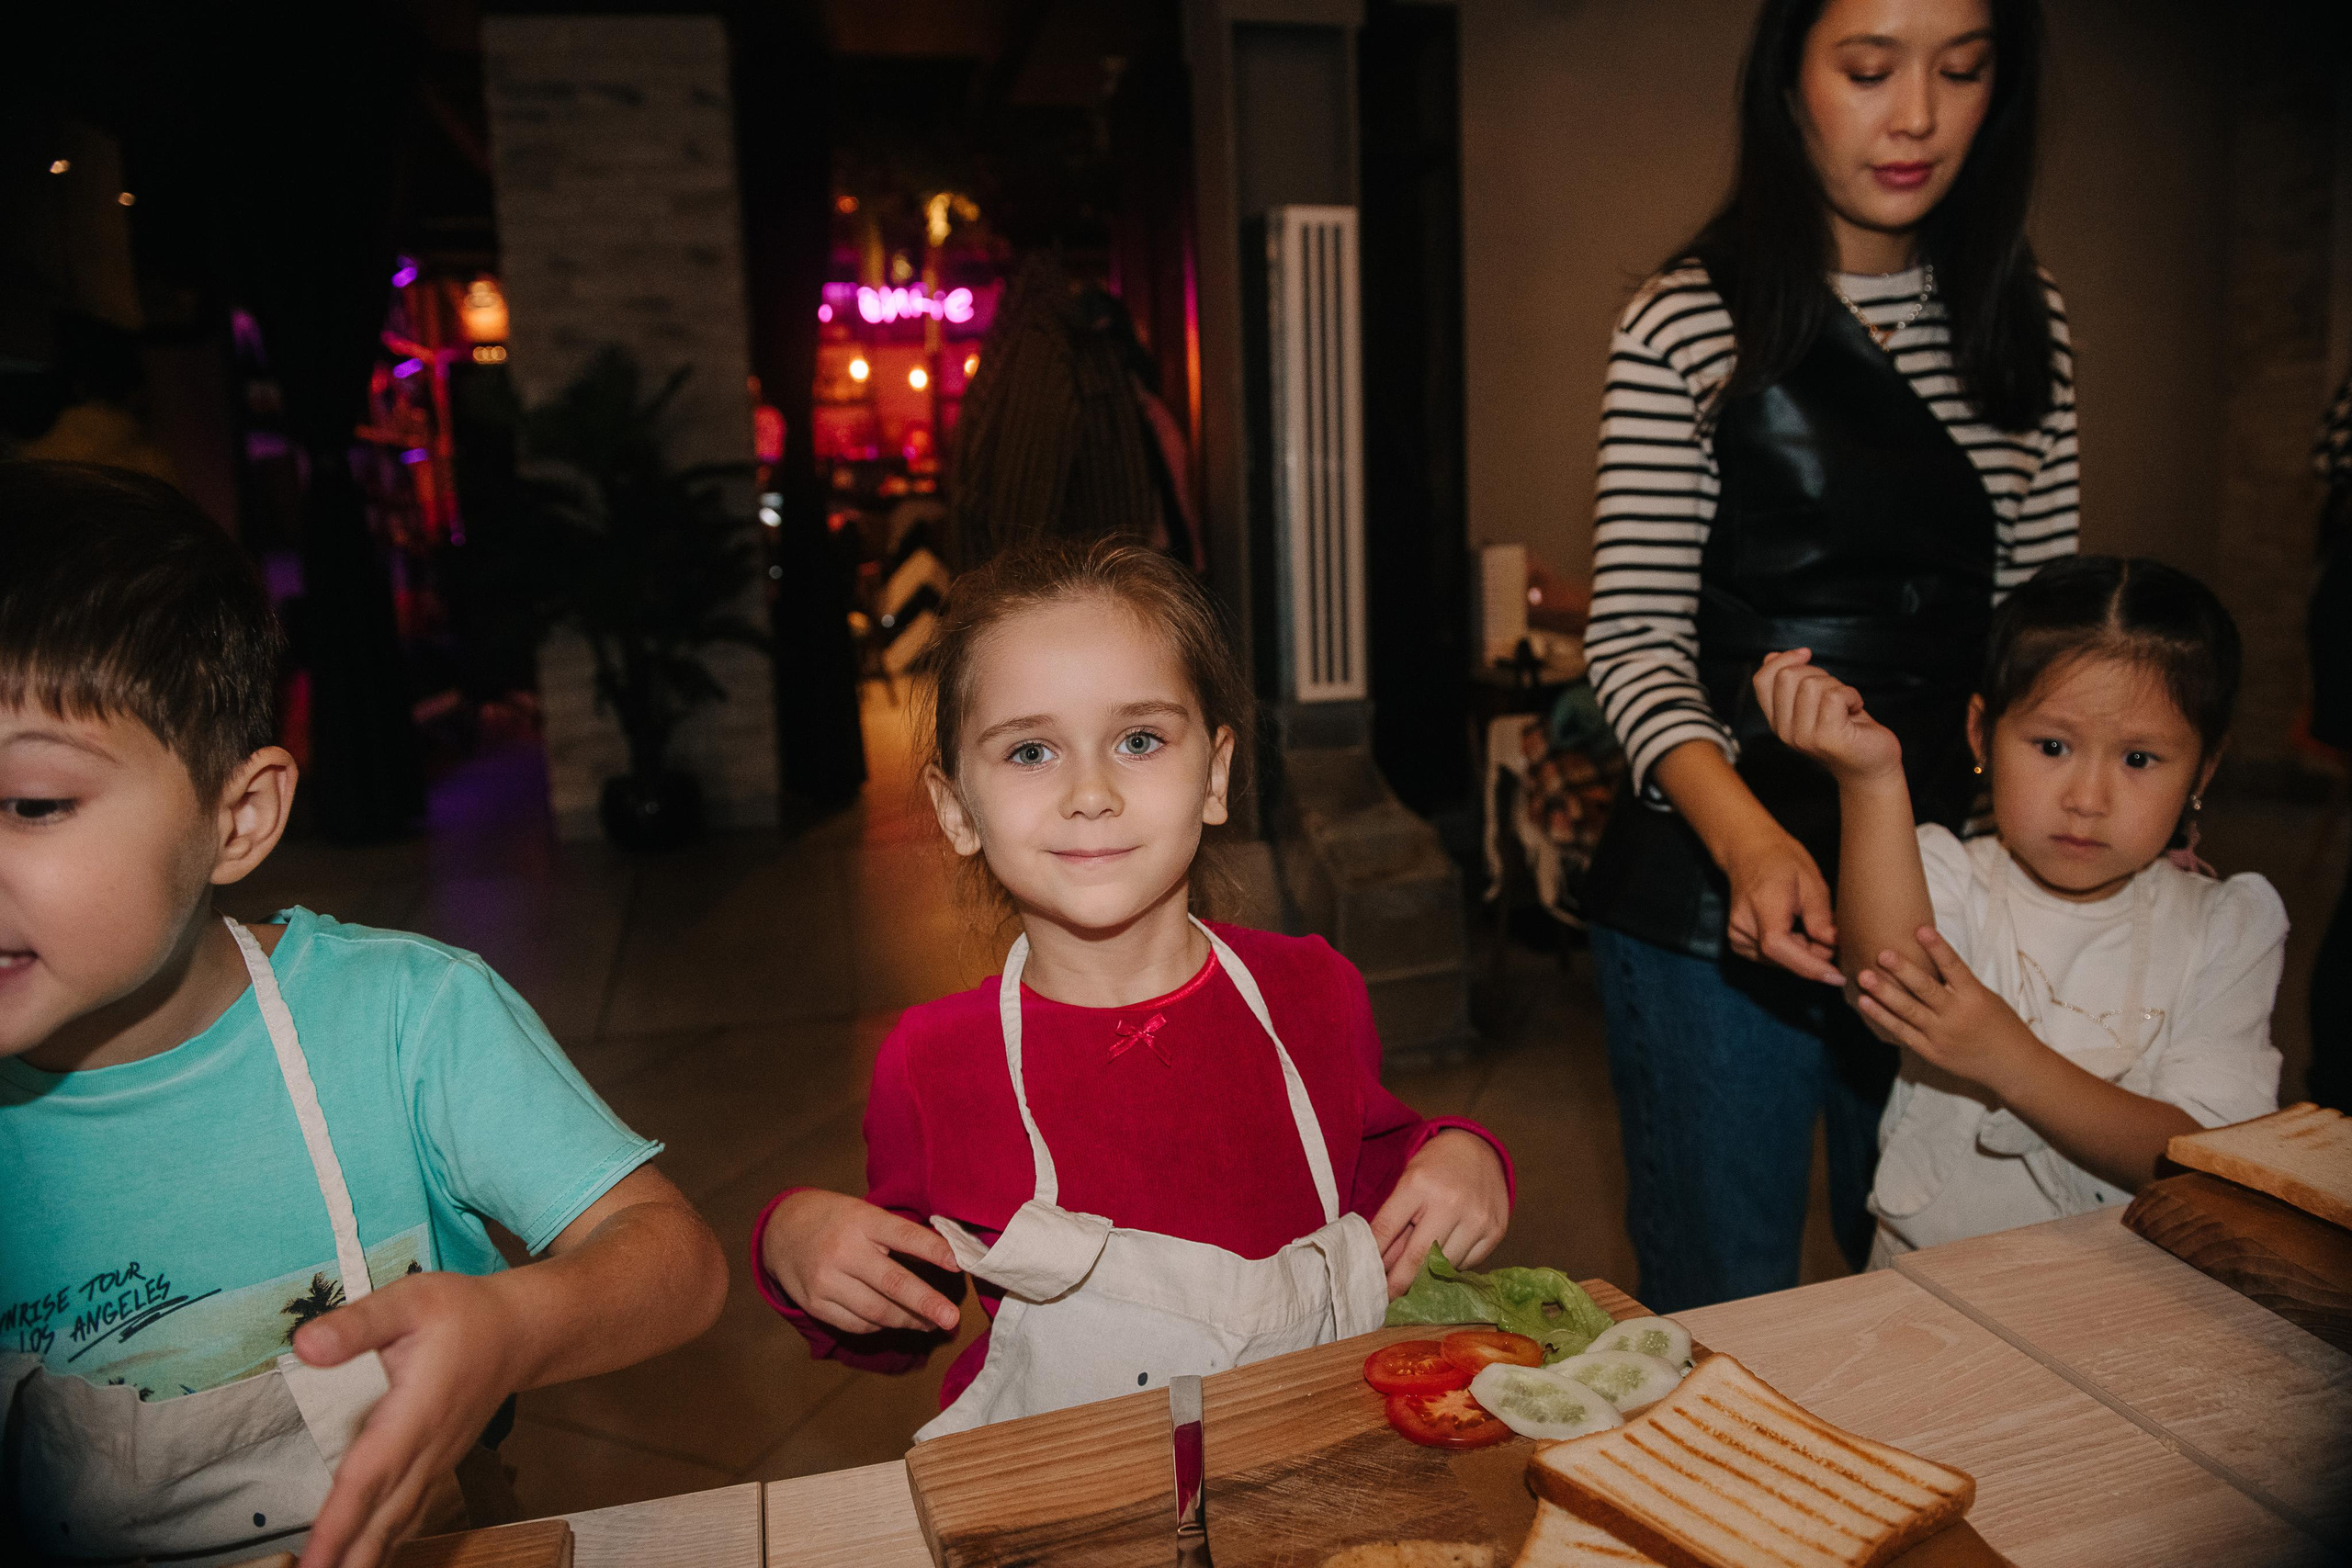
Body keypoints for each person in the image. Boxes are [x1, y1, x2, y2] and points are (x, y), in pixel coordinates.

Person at [0, 463, 729, 1568]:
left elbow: (675, 1263)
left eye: (32, 804)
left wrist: (513, 1326)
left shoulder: (404, 1021)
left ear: (238, 817)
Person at [752, 539, 1512, 1435]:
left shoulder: (1314, 992)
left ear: (1215, 775)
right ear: (958, 809)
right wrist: (796, 1242)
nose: (1091, 792)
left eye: (1138, 740)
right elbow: (902, 1319)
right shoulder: (934, 1062)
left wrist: (1463, 1155)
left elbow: (1391, 1189)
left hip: (1306, 1468)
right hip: (1070, 1501)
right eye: (1031, 751)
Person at [1578, 0, 2078, 1309]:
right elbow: (1630, 640)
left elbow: (2039, 650)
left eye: (1960, 71)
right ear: (1791, 81)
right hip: (1707, 888)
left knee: (1936, 1282)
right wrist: (1748, 840)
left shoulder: (2028, 329)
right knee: (1727, 1298)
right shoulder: (1687, 321)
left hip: (1939, 892)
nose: (1914, 115)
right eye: (1869, 68)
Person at [1754, 557, 2283, 1257]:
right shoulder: (1945, 870)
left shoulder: (2228, 927)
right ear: (1983, 734)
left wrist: (2011, 1059)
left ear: (2203, 771)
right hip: (1924, 1287)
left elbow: (2204, 1162)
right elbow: (1886, 982)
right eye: (2053, 746)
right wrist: (1871, 777)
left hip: (2125, 1307)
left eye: (2139, 759)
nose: (2088, 799)